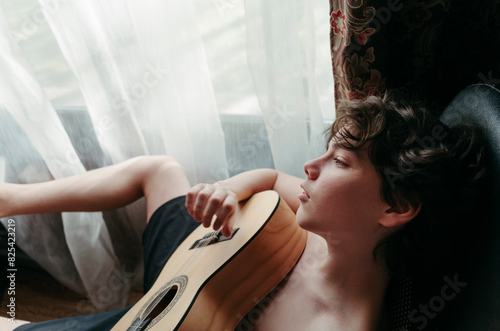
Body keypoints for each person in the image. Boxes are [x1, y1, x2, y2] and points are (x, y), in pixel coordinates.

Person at [0, 93, 488, 330]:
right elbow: (272, 180)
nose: (309, 168)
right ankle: (10, 199)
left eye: (338, 161)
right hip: (207, 264)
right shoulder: (329, 227)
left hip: (181, 315)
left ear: (396, 207)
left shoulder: (337, 324)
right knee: (161, 170)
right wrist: (228, 191)